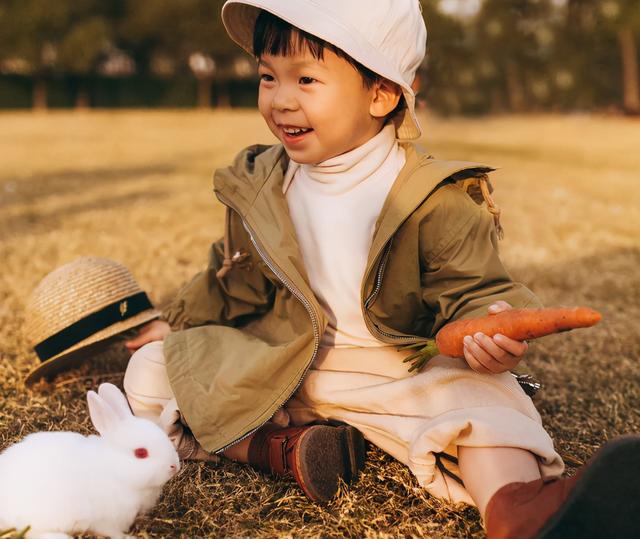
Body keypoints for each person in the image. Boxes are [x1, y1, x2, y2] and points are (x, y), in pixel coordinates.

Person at [123, 1, 640, 537]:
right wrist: (180, 323)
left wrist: (489, 325)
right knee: (154, 372)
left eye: (306, 78)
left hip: (394, 370)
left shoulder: (429, 198)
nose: (280, 100)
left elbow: (472, 288)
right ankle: (282, 448)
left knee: (489, 401)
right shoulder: (261, 183)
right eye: (267, 77)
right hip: (282, 367)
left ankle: (521, 510)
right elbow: (232, 278)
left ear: (381, 93)